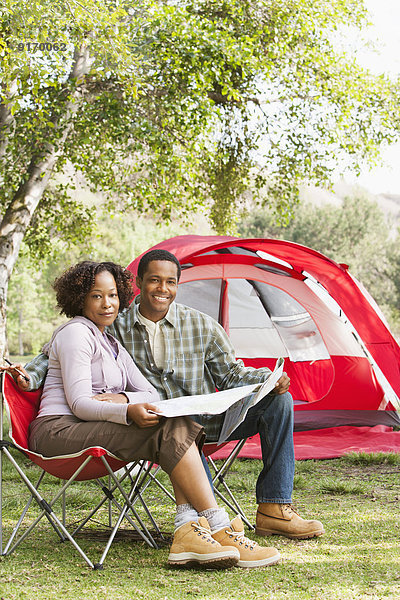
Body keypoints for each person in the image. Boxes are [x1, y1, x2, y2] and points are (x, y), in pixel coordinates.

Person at [10, 249, 324, 541]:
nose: (163, 288)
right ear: (139, 284)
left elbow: (232, 374)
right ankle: (205, 523)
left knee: (278, 401)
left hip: (207, 419)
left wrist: (267, 380)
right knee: (177, 423)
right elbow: (51, 356)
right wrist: (26, 378)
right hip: (155, 423)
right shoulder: (111, 324)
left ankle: (274, 508)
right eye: (154, 280)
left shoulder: (201, 325)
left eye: (170, 282)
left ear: (177, 285)